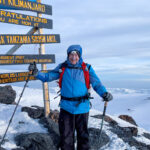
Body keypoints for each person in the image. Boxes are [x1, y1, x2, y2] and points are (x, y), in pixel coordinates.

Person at [28, 45, 113, 150]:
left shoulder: (87, 68)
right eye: (71, 55)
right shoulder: (62, 67)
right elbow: (48, 76)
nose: (74, 57)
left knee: (83, 136)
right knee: (66, 137)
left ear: (79, 56)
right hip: (66, 107)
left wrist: (104, 93)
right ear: (68, 55)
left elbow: (96, 83)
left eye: (76, 55)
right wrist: (37, 73)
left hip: (82, 108)